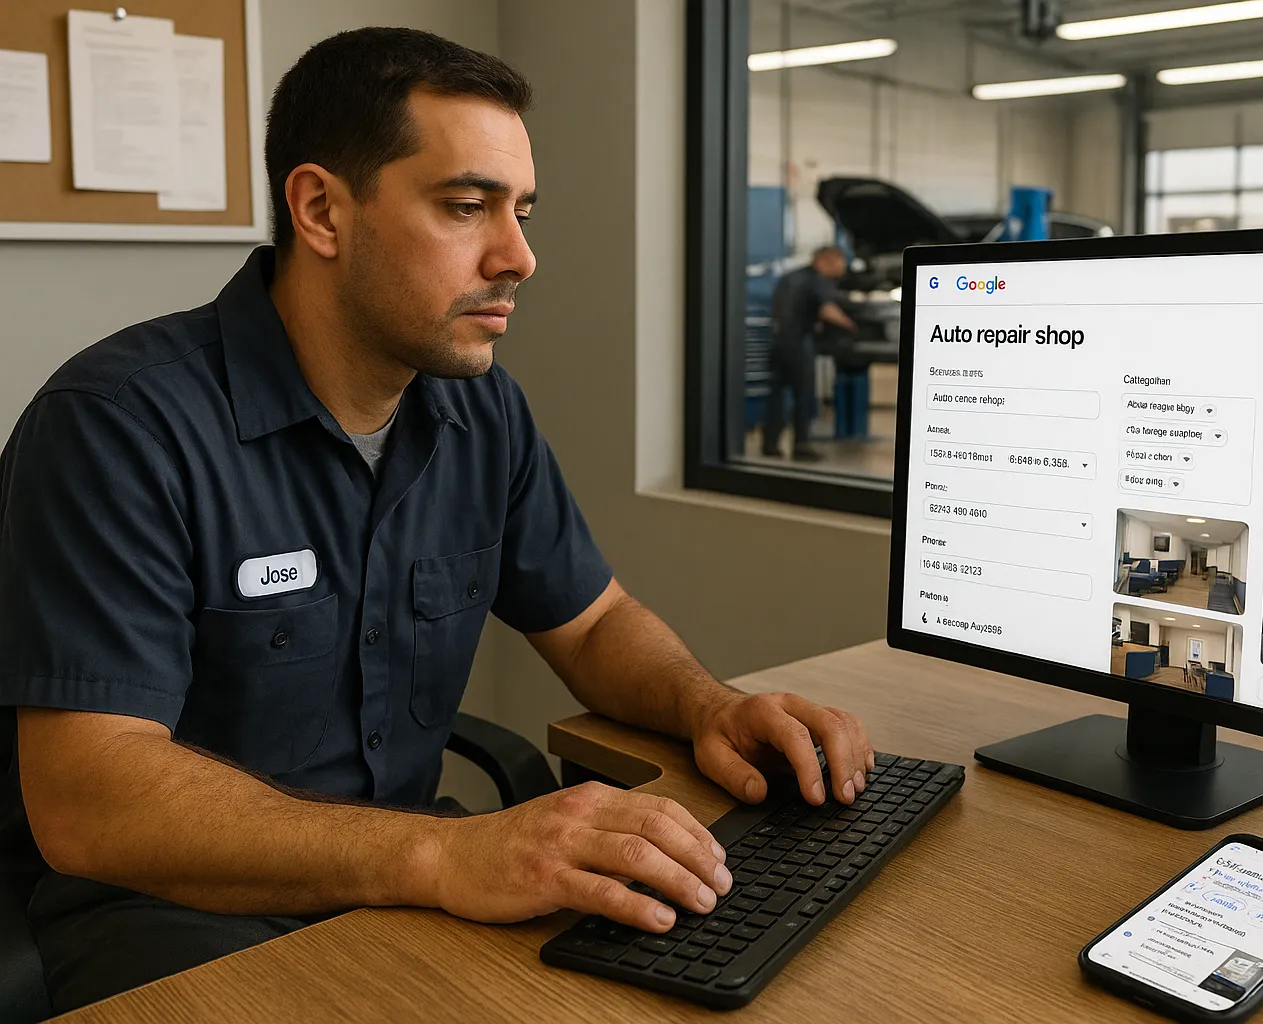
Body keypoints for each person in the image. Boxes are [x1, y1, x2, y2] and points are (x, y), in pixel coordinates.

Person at [0, 28, 874, 1013]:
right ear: (322, 209)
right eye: (468, 207)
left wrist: (706, 707)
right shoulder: (119, 427)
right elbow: (92, 802)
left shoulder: (480, 411)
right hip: (175, 914)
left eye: (522, 211)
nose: (521, 256)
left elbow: (591, 621)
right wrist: (447, 849)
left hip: (411, 881)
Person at [761, 245, 858, 461]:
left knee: (776, 394)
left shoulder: (789, 277)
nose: (843, 268)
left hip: (777, 342)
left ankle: (770, 445)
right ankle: (801, 446)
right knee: (803, 395)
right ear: (827, 260)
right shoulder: (816, 280)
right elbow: (826, 309)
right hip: (799, 343)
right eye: (841, 262)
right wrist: (852, 325)